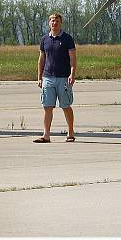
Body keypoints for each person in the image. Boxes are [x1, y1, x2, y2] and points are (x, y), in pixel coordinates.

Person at [35, 12, 77, 143]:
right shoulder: (44, 39)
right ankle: (46, 135)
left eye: (57, 21)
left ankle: (70, 132)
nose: (54, 23)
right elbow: (41, 59)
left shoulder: (67, 39)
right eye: (52, 21)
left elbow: (73, 58)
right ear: (49, 23)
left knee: (65, 106)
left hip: (63, 78)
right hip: (48, 77)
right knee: (47, 106)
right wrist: (39, 77)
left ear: (61, 23)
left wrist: (72, 73)